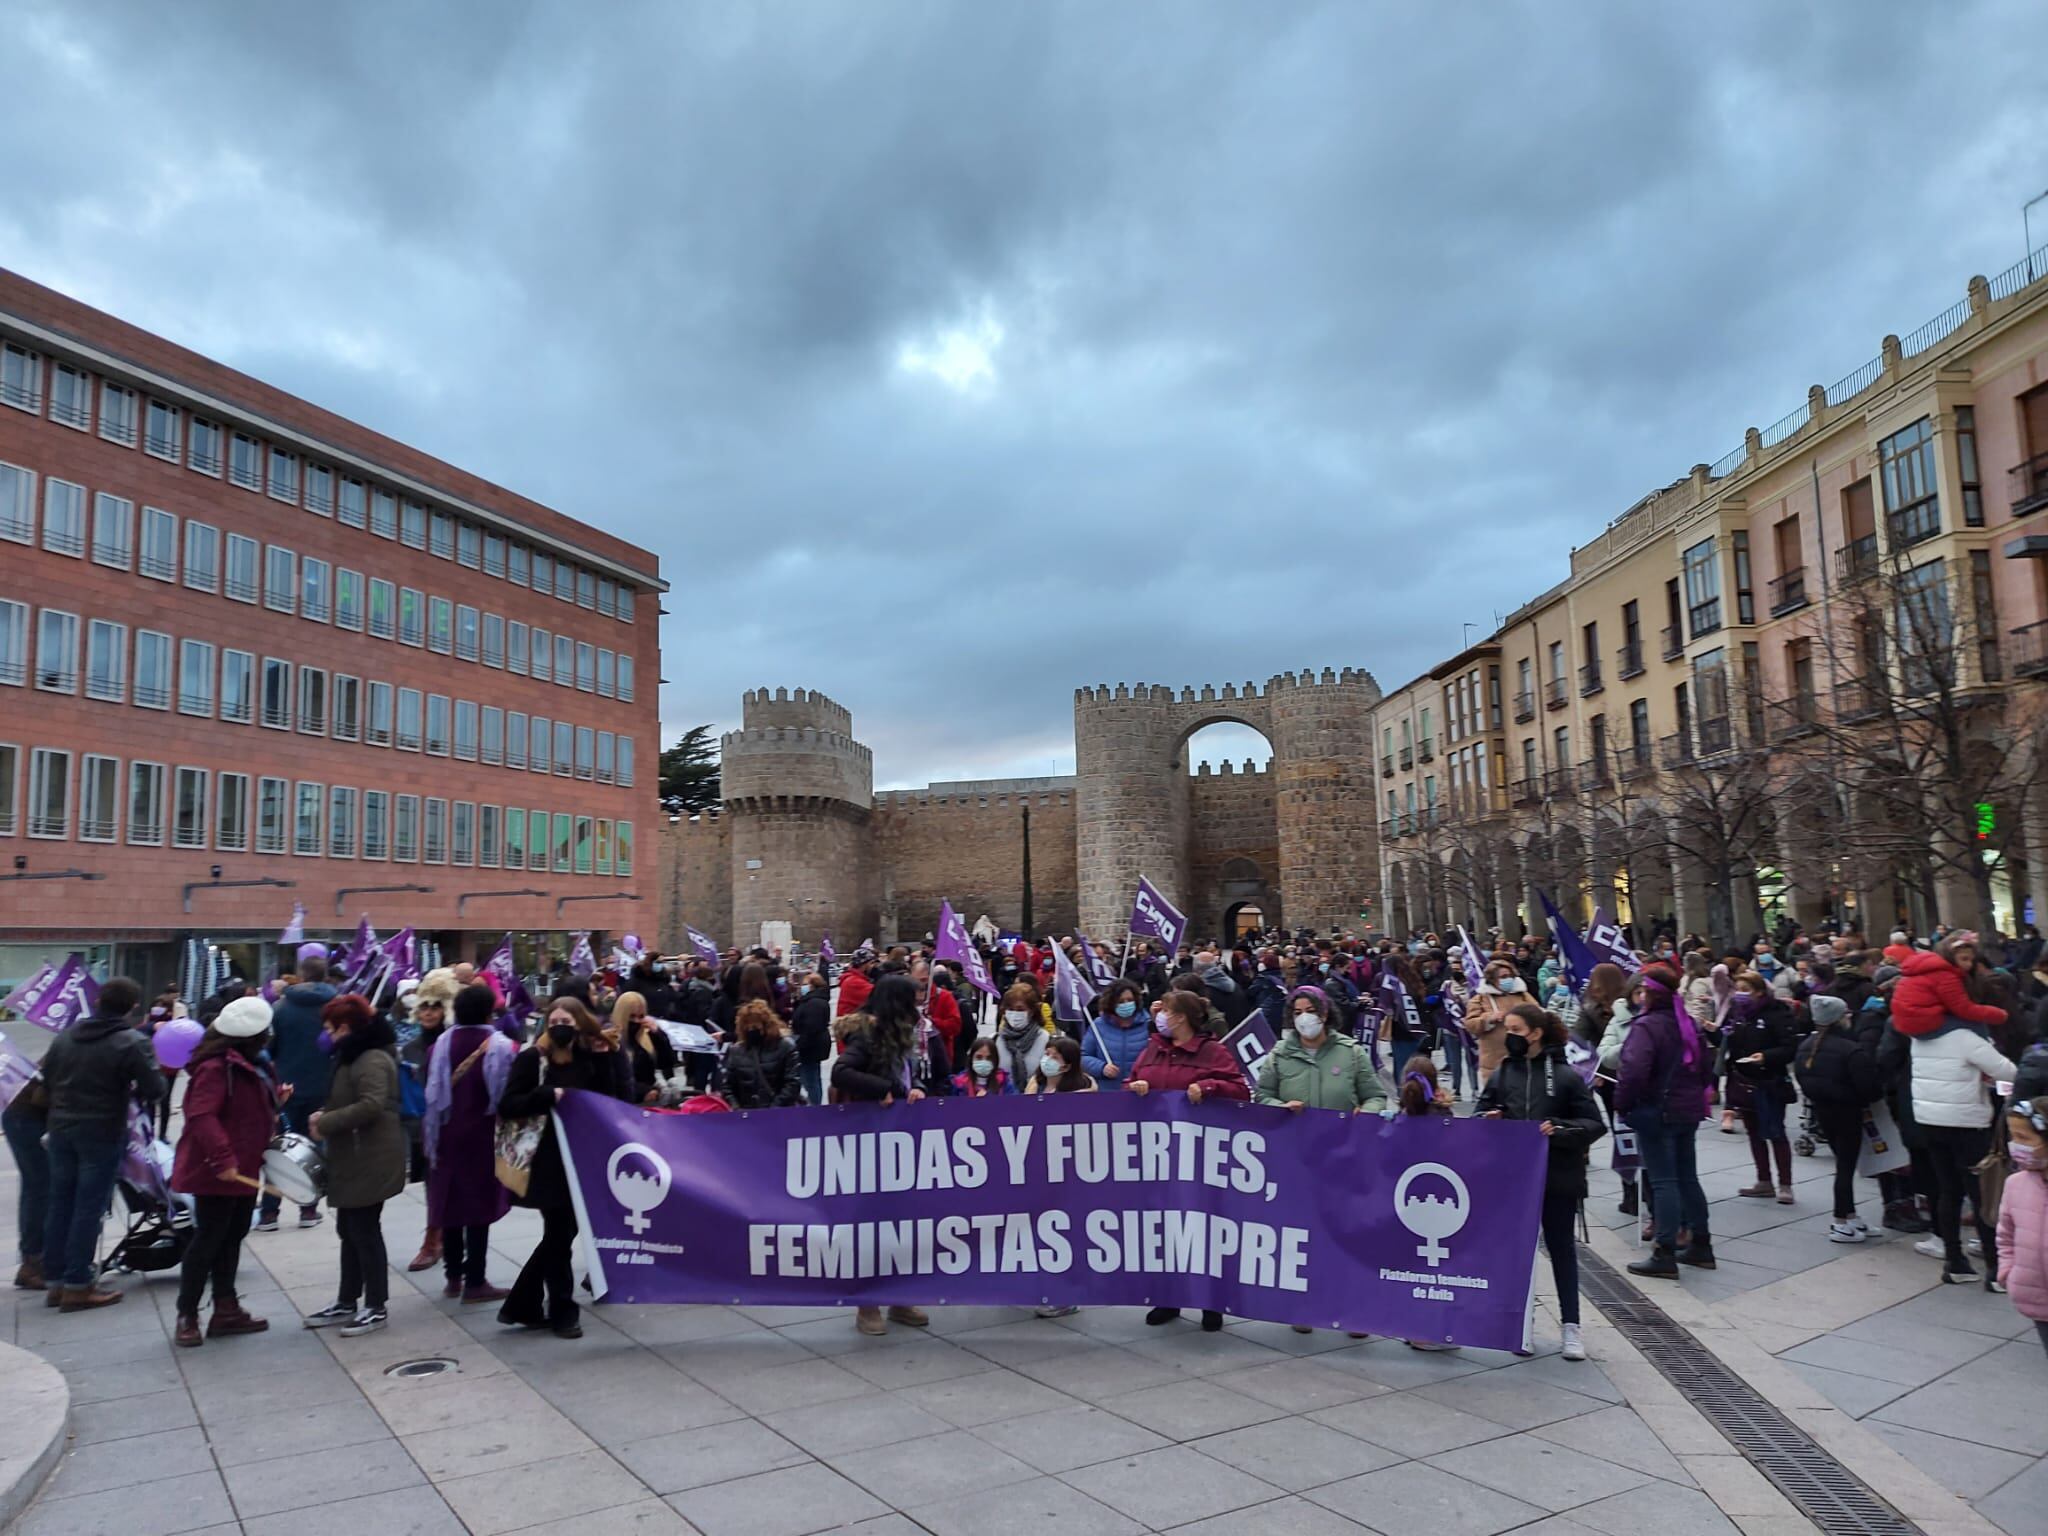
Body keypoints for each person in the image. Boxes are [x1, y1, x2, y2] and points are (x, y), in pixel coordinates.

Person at [496, 997, 631, 1338]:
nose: (559, 1026)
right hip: (548, 1162)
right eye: (554, 1020)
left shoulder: (591, 1054)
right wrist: (547, 1095)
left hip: (584, 1157)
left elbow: (612, 1100)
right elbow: (509, 1104)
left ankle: (522, 1304)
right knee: (559, 1235)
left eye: (567, 1022)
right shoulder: (532, 1058)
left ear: (579, 1024)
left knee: (560, 1235)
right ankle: (562, 1311)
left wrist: (605, 1057)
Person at [1479, 1003, 1606, 1362]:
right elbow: (1480, 1112)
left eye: (1516, 1030)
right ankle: (1522, 1324)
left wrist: (1561, 1131)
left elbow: (1594, 1124)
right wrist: (1490, 1118)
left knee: (1562, 1250)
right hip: (1513, 1181)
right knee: (1518, 1254)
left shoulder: (1565, 1076)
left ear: (1535, 1034)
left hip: (1558, 1178)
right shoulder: (1504, 1073)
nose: (1509, 1037)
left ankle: (1571, 1326)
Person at [1129, 989, 1250, 1332]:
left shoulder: (1212, 1051)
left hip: (1202, 1156)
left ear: (1181, 1017)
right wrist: (1135, 1086)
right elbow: (1132, 1080)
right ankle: (1169, 1297)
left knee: (1204, 1227)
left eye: (1165, 1010)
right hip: (1160, 1155)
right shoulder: (1154, 1047)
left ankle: (1211, 1303)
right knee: (1165, 1227)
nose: (1159, 1014)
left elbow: (1239, 1089)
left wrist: (1209, 1087)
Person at [39, 977, 162, 1311]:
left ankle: (56, 1280)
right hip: (102, 1129)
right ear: (133, 1006)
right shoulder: (131, 1041)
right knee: (88, 1207)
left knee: (60, 1201)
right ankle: (78, 1284)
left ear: (97, 1001)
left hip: (61, 1125)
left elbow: (46, 1077)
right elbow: (155, 1089)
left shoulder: (65, 1037)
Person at [168, 995, 279, 1347]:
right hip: (218, 1169)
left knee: (232, 1237)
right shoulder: (216, 1067)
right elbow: (201, 1115)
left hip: (245, 1164)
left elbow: (244, 1108)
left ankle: (226, 1308)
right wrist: (223, 1159)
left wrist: (276, 1100)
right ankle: (188, 1313)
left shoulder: (253, 1062)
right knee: (208, 1241)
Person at [830, 977, 934, 1337]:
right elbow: (841, 1071)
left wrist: (915, 1089)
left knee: (901, 1221)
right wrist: (883, 1089)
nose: (918, 1003)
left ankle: (900, 1298)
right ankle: (867, 1304)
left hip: (898, 1140)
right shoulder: (870, 1034)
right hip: (871, 1138)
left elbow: (909, 1075)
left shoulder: (901, 1034)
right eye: (913, 998)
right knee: (871, 1223)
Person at [299, 995, 405, 1337]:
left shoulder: (371, 1058)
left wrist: (327, 1121)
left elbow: (372, 1104)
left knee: (364, 1231)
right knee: (349, 1229)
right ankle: (347, 1299)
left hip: (370, 1157)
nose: (326, 1035)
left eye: (329, 1029)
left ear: (345, 1028)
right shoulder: (351, 1053)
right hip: (354, 1155)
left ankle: (375, 1305)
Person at [1908, 991, 2018, 1285]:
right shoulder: (1967, 1038)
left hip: (1931, 1122)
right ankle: (1995, 1270)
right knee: (1981, 1196)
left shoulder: (1920, 1038)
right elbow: (2008, 1071)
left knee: (1948, 1191)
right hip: (1968, 1124)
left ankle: (1954, 1261)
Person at [1615, 964, 1715, 1278]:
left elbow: (1632, 1071)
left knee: (1664, 1182)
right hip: (1687, 1111)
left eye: (1643, 990)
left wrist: (1623, 1104)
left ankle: (1665, 1252)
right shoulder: (1687, 1023)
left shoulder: (1647, 1026)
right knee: (1687, 1177)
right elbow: (1706, 1069)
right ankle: (1701, 1244)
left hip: (1658, 1111)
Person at [423, 983, 515, 1304]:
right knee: (478, 1208)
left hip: (445, 1135)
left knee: (450, 1204)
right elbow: (505, 1096)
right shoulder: (501, 1047)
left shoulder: (439, 1046)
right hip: (482, 1136)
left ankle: (453, 1277)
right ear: (490, 1010)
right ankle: (476, 1279)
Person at [257, 947, 338, 1232]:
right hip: (323, 1085)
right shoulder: (336, 1006)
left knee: (280, 1149)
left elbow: (270, 1050)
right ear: (325, 976)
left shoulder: (280, 1008)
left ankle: (269, 1212)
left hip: (286, 1087)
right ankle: (308, 1209)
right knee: (314, 1148)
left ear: (301, 975)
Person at [1793, 995, 1881, 1243]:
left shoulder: (1807, 1046)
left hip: (1824, 1112)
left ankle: (1850, 1216)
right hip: (1848, 1112)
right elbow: (1869, 1087)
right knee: (1845, 1167)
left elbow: (1804, 1079)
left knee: (1844, 1165)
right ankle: (1840, 1221)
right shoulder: (1850, 1049)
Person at [1722, 971, 1800, 1204]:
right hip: (1743, 1080)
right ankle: (1764, 1181)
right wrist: (1715, 1032)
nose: (1740, 994)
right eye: (1738, 989)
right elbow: (1730, 1044)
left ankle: (1785, 1184)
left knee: (1776, 1132)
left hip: (1769, 1082)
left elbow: (1789, 1047)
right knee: (1754, 1134)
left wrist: (1765, 1057)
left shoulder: (1777, 1013)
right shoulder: (1738, 1014)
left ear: (1759, 991)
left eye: (1745, 989)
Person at [401, 968, 456, 1273]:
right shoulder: (410, 1047)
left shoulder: (452, 1043)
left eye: (435, 1006)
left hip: (449, 1126)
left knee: (444, 1185)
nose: (428, 1012)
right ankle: (436, 1238)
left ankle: (436, 1240)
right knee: (431, 1185)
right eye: (424, 1005)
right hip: (420, 1128)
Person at [1255, 987, 1387, 1115]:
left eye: (1311, 1011)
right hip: (1294, 1135)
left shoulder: (1352, 1052)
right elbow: (1262, 1096)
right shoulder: (1279, 1055)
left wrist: (1366, 1114)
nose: (1304, 1017)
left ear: (1324, 1014)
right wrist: (1281, 1108)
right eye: (1298, 1013)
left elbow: (1375, 1097)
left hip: (1343, 1135)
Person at [1997, 1095, 2048, 1355]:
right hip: (2035, 1297)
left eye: (2025, 1138)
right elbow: (2005, 1235)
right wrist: (2009, 1272)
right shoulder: (2016, 1184)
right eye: (2014, 1136)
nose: (2017, 1146)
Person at [3, 1034, 49, 1292]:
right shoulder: (76, 1044)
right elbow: (41, 1095)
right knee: (39, 1187)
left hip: (22, 1113)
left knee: (38, 1187)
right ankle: (32, 1263)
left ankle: (35, 1260)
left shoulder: (75, 1039)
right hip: (25, 1115)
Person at [724, 999, 805, 1109]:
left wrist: (775, 1108)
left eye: (755, 1026)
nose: (751, 1030)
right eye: (747, 1026)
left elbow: (792, 1084)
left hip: (779, 1114)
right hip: (747, 1115)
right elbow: (727, 1086)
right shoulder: (736, 1050)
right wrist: (737, 1108)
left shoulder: (785, 1046)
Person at [1464, 958, 1528, 1087]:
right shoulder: (1480, 999)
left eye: (1510, 976)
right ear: (1492, 979)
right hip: (1493, 1062)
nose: (1508, 979)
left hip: (1522, 1058)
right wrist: (1488, 1019)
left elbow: (1538, 1014)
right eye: (1503, 976)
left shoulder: (1523, 995)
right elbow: (1470, 1024)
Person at [1082, 981, 1150, 1090]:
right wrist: (1101, 1068)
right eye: (1120, 1001)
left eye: (1130, 1000)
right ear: (1111, 1003)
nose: (1126, 1004)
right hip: (1107, 1092)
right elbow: (1083, 1057)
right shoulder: (1098, 1025)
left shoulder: (1148, 1024)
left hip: (1140, 1092)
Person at [615, 990, 677, 1105]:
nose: (636, 1021)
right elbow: (614, 1079)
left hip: (648, 1100)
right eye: (632, 1016)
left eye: (641, 1016)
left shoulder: (646, 1036)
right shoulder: (613, 1039)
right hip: (623, 1102)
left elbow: (666, 1063)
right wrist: (644, 1091)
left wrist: (658, 1034)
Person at [993, 983, 1052, 1084]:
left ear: (1032, 1011)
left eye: (1020, 1009)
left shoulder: (1047, 1040)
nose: (1015, 1013)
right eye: (1010, 1009)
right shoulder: (995, 1040)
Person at [790, 971, 832, 1105]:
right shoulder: (812, 1001)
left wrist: (799, 1045)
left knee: (811, 1078)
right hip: (814, 1044)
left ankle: (815, 1105)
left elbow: (811, 1028)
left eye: (805, 984)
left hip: (810, 1046)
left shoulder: (814, 1003)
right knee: (812, 1077)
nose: (802, 986)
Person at [1025, 1035, 1094, 1095]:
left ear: (1066, 1067)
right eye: (1047, 1054)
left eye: (1055, 1057)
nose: (1047, 1059)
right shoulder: (1035, 1083)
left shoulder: (1080, 1090)